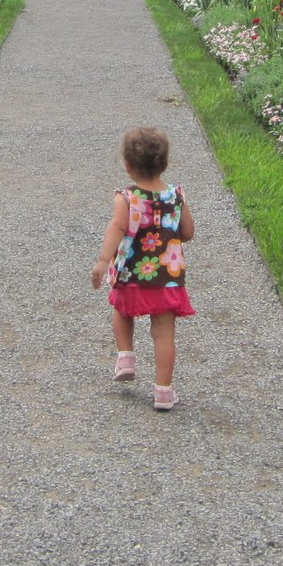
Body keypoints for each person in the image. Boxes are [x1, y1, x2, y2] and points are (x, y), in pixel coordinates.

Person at [91, 126, 195, 410]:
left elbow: (117, 228)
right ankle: (163, 391)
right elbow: (187, 231)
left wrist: (103, 260)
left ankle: (125, 356)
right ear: (165, 163)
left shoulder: (126, 198)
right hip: (166, 278)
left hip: (131, 274)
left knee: (122, 311)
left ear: (127, 165)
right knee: (164, 333)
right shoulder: (176, 196)